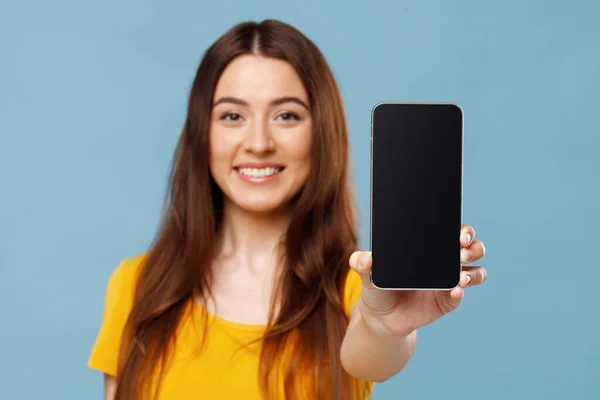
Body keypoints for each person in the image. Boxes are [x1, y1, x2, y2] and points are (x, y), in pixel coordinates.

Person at [87, 19, 487, 400]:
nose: (258, 142)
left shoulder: (357, 292)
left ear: (320, 131)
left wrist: (384, 325)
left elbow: (373, 355)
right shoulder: (136, 285)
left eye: (286, 115)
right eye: (232, 115)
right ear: (202, 133)